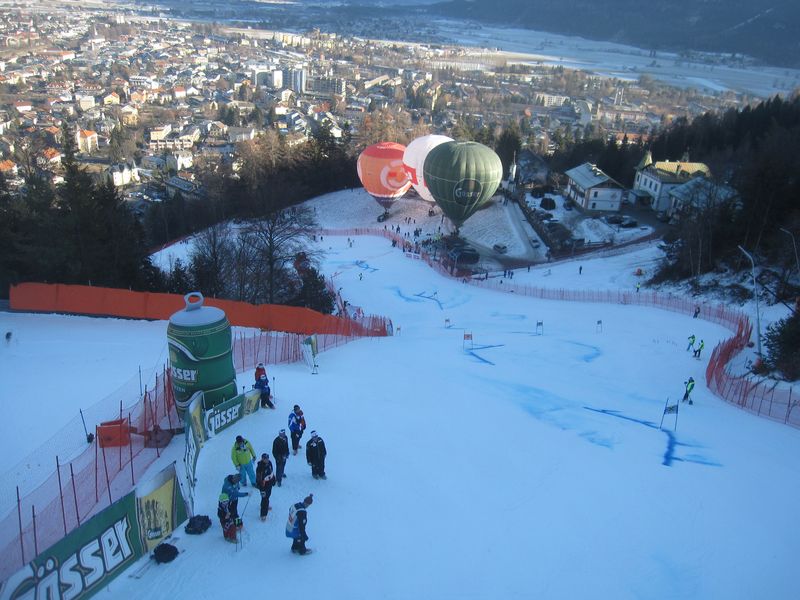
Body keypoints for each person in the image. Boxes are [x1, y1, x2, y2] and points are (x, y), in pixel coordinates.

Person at [256, 453, 275, 521]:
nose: (266, 460)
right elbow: (258, 479)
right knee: (265, 499)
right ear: (262, 459)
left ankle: (264, 506)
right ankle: (263, 514)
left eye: (267, 458)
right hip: (263, 486)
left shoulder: (270, 463)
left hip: (269, 484)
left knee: (267, 496)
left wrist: (273, 480)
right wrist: (261, 488)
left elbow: (272, 472)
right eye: (265, 458)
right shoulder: (259, 468)